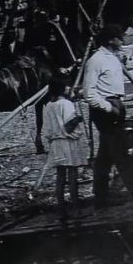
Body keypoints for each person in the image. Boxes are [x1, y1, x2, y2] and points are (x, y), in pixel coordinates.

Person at [82, 24, 133, 206]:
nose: (122, 41)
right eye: (119, 38)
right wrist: (108, 108)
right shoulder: (96, 60)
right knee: (120, 153)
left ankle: (100, 195)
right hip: (105, 109)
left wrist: (119, 105)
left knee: (105, 155)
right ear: (110, 40)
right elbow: (89, 93)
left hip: (116, 104)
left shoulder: (111, 58)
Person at [41, 78, 86, 216]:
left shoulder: (48, 106)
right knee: (72, 176)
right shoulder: (66, 104)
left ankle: (61, 210)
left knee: (60, 177)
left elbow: (47, 129)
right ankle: (76, 209)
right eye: (66, 87)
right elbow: (68, 126)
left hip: (55, 143)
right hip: (67, 143)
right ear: (62, 89)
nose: (68, 89)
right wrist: (78, 119)